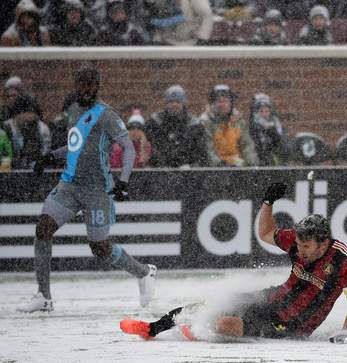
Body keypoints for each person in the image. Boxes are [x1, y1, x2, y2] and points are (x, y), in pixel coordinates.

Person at [120, 182, 347, 342]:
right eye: (298, 244)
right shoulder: (298, 241)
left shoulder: (344, 260)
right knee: (211, 303)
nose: (300, 250)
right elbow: (266, 232)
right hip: (274, 298)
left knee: (225, 323)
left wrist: (344, 334)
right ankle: (152, 329)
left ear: (323, 243)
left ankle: (194, 332)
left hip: (293, 325)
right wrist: (268, 202)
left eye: (306, 247)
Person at [16, 64, 157, 313]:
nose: (86, 88)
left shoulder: (107, 115)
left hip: (97, 190)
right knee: (43, 229)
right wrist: (49, 157)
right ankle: (44, 296)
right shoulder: (73, 111)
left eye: (91, 84)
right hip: (69, 185)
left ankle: (144, 272)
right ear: (76, 86)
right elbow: (75, 147)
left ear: (97, 86)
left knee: (100, 249)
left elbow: (128, 148)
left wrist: (123, 181)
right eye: (82, 84)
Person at [146, 85, 207, 167]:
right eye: (171, 102)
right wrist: (160, 164)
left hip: (187, 170)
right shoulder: (155, 123)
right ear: (166, 104)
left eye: (178, 102)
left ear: (183, 103)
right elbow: (151, 147)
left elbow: (200, 152)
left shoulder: (194, 125)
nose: (174, 105)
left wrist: (191, 166)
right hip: (161, 169)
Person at [199, 84, 258, 167]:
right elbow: (208, 149)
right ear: (213, 104)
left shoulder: (238, 121)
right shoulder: (205, 122)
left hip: (238, 166)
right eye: (219, 101)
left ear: (231, 104)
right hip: (214, 169)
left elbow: (247, 144)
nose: (222, 105)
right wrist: (220, 164)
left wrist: (251, 163)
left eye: (226, 101)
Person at [2, 76, 51, 169]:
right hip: (17, 142)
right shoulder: (8, 113)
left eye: (13, 94)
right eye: (8, 96)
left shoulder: (28, 100)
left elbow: (34, 116)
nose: (11, 97)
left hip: (33, 140)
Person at [144, 0, 213, 45]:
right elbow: (151, 6)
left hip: (187, 43)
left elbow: (206, 15)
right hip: (164, 41)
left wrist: (202, 39)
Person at [248, 93, 288, 165]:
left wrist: (273, 132)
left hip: (275, 159)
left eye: (267, 111)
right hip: (260, 161)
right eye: (261, 111)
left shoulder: (276, 125)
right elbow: (255, 145)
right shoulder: (253, 127)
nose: (264, 114)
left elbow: (281, 144)